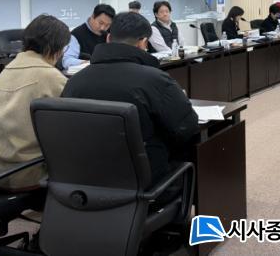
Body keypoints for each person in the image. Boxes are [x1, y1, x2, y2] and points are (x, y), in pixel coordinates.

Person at [61, 12, 199, 186]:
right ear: (143, 43)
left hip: (85, 180)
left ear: (108, 38)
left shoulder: (74, 83)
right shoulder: (155, 80)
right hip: (144, 181)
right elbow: (188, 127)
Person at [0, 15, 70, 190]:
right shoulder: (50, 76)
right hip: (29, 172)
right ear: (53, 47)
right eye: (63, 47)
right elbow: (70, 124)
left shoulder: (7, 69)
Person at [62, 4, 115, 69]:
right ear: (92, 17)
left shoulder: (110, 34)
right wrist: (89, 62)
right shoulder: (76, 34)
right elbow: (66, 61)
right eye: (101, 23)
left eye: (107, 25)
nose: (103, 28)